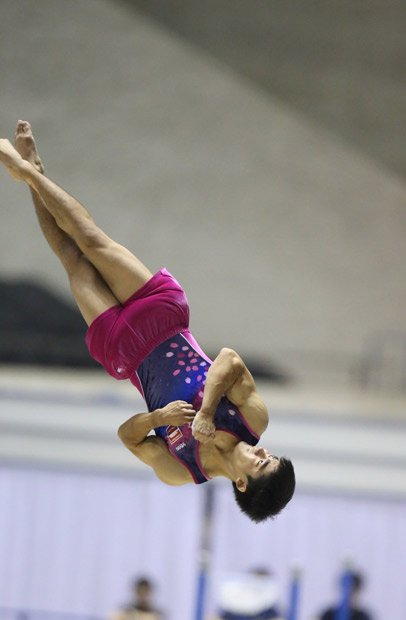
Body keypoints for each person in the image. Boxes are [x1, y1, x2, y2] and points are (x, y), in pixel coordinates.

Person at [0, 122, 295, 522]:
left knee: (71, 260)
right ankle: (29, 172)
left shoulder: (182, 470)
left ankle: (30, 172)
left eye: (261, 463)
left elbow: (128, 436)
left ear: (241, 483)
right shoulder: (252, 419)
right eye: (270, 455)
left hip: (128, 353)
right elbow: (229, 359)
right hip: (162, 316)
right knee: (91, 239)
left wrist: (160, 419)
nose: (263, 451)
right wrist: (206, 411)